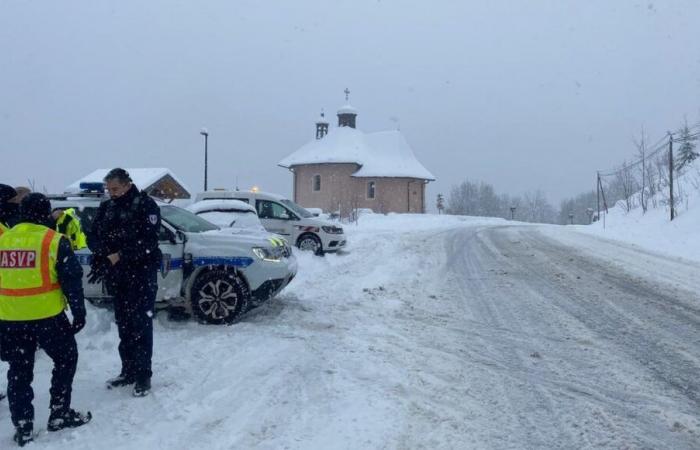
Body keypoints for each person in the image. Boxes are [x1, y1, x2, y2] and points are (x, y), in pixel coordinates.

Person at [0, 193, 91, 447]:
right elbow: (72, 281)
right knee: (66, 359)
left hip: (9, 319)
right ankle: (59, 412)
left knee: (18, 370)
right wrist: (79, 312)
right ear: (45, 213)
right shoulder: (54, 241)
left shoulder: (4, 240)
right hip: (47, 318)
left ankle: (23, 426)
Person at [87, 168, 161, 397]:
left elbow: (148, 241)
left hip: (140, 274)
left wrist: (119, 255)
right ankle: (128, 370)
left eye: (115, 189)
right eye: (109, 189)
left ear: (127, 184)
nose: (112, 193)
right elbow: (93, 234)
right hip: (117, 277)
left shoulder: (145, 206)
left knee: (141, 324)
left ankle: (143, 376)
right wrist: (101, 255)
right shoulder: (107, 207)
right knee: (124, 325)